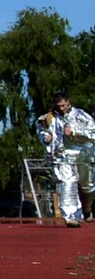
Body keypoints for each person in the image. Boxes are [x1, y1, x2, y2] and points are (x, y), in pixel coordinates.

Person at [40, 92, 94, 227]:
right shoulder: (50, 118)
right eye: (58, 106)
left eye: (63, 105)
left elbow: (93, 133)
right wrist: (46, 138)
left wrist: (74, 132)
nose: (61, 108)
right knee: (67, 183)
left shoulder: (81, 116)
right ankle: (71, 217)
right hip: (62, 156)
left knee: (87, 186)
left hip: (82, 155)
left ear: (68, 102)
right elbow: (43, 131)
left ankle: (87, 209)